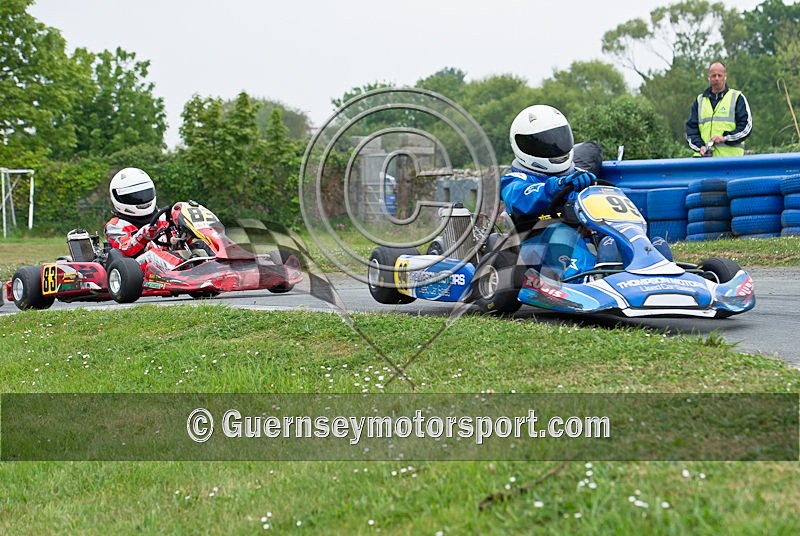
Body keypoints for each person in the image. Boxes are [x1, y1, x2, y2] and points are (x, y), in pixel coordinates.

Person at [500, 105, 598, 280]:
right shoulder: (514, 180)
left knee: (612, 239)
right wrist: (555, 186)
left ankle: (635, 272)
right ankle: (580, 280)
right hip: (536, 244)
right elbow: (521, 198)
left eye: (559, 139)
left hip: (581, 238)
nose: (554, 147)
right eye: (544, 143)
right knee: (561, 232)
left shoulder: (576, 176)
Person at [104, 167, 181, 272]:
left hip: (169, 258)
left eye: (145, 193)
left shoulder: (164, 215)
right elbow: (126, 249)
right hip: (134, 269)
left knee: (199, 244)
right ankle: (185, 270)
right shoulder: (115, 226)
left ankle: (208, 265)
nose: (141, 199)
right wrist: (142, 236)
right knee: (152, 254)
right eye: (132, 196)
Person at [685, 61, 752, 156]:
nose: (716, 79)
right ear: (708, 77)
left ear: (725, 76)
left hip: (731, 161)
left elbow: (746, 127)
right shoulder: (699, 101)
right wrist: (701, 147)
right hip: (704, 162)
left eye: (719, 75)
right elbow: (691, 131)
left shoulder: (737, 97)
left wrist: (725, 138)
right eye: (713, 75)